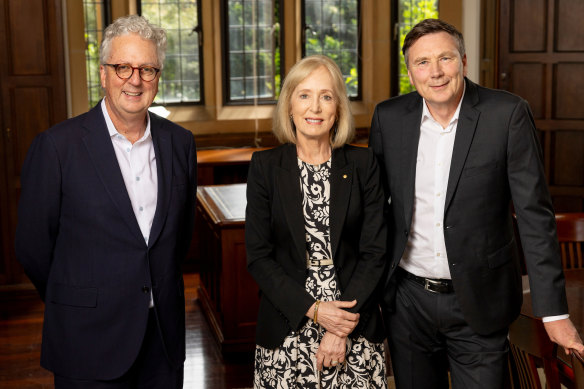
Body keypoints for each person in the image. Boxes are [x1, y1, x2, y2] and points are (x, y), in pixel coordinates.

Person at [369, 18, 584, 388]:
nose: (435, 72)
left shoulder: (507, 114)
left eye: (445, 59)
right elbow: (374, 211)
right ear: (409, 72)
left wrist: (554, 313)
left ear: (464, 62)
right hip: (406, 302)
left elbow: (535, 217)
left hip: (480, 301)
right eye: (422, 62)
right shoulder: (389, 118)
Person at [15, 15, 196, 389]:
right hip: (87, 340)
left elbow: (179, 238)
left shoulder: (180, 143)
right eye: (123, 67)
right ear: (102, 74)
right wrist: (78, 299)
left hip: (162, 339)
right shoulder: (56, 147)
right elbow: (32, 247)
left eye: (147, 69)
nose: (135, 79)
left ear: (158, 77)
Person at [245, 54, 388, 388]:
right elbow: (258, 257)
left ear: (337, 108)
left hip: (354, 323)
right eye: (304, 95)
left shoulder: (363, 164)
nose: (315, 107)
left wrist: (339, 326)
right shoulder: (265, 168)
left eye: (326, 96)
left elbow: (375, 252)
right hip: (287, 323)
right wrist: (315, 310)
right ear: (289, 106)